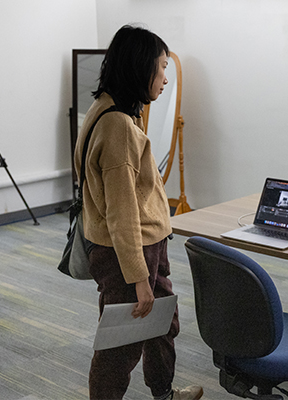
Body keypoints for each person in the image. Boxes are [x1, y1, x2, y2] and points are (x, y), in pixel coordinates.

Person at [74, 25, 202, 400]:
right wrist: (139, 278)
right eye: (162, 68)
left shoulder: (104, 108)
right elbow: (123, 214)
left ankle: (163, 393)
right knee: (121, 345)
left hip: (140, 248)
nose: (165, 78)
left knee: (162, 325)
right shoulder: (118, 128)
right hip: (130, 253)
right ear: (140, 68)